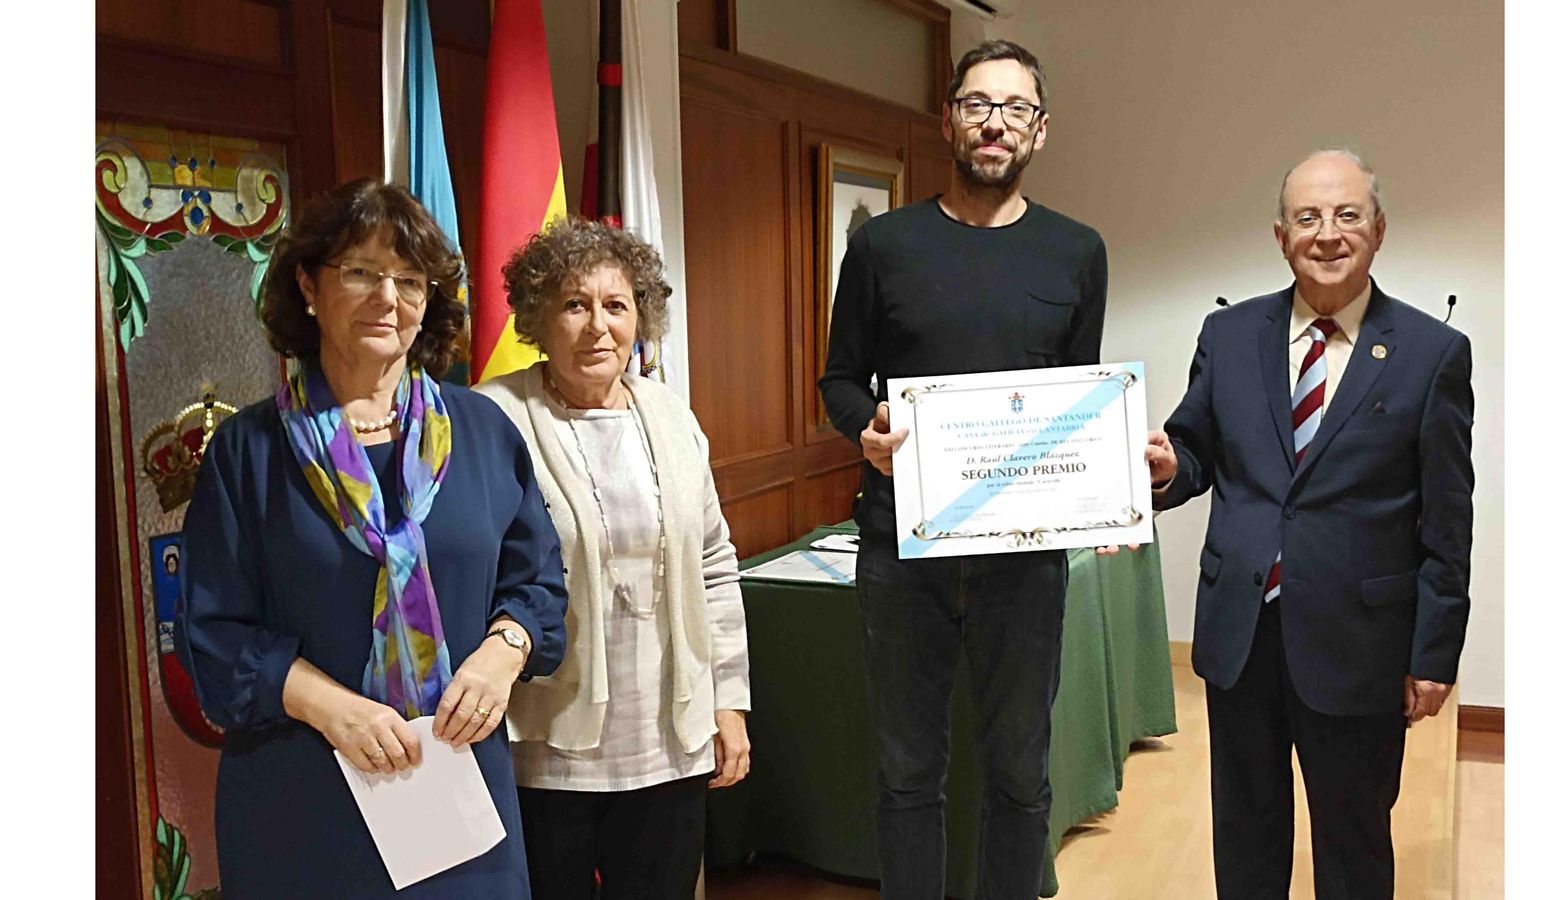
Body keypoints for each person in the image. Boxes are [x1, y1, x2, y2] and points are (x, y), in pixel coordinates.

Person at [176, 177, 569, 899]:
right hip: (305, 803)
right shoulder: (246, 451)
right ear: (308, 287)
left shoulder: (485, 435)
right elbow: (213, 634)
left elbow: (539, 583)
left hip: (456, 795)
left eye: (409, 279)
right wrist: (334, 708)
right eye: (360, 272)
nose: (387, 297)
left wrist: (501, 653)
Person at [818, 40, 1107, 900]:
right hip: (901, 548)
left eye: (1015, 109)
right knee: (908, 776)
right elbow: (839, 378)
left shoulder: (1077, 252)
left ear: (1040, 131)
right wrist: (860, 427)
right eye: (978, 104)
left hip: (1025, 560)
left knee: (1020, 774)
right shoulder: (884, 247)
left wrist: (1107, 498)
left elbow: (1079, 402)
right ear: (948, 119)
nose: (995, 124)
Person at [1146, 149, 1473, 898]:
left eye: (1347, 215)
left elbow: (1448, 519)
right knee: (1246, 835)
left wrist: (1435, 653)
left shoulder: (1431, 354)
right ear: (1280, 235)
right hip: (1241, 634)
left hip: (1360, 646)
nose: (1327, 234)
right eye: (1307, 218)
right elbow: (1195, 449)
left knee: (1354, 844)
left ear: (1379, 230)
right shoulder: (1228, 337)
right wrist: (1168, 471)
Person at [475, 216, 752, 899]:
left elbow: (715, 562)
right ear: (540, 316)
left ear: (641, 319)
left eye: (616, 305)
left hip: (671, 740)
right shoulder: (492, 419)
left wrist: (729, 702)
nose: (598, 326)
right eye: (575, 304)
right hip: (545, 748)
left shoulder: (671, 414)